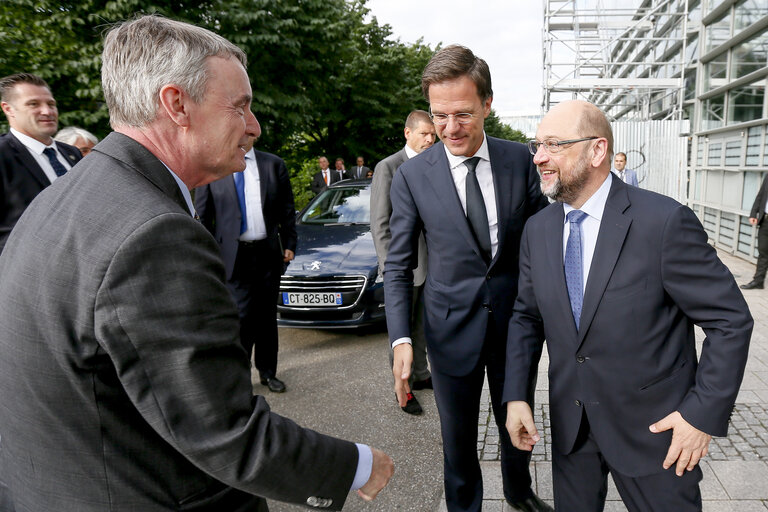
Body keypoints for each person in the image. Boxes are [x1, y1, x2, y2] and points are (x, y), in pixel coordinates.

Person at [0, 15, 393, 511]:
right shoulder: (154, 233)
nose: (254, 126)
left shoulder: (69, 196)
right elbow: (221, 428)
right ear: (176, 104)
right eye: (241, 107)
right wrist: (355, 465)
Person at [504, 100, 753, 512]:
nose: (539, 157)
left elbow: (730, 321)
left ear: (597, 151)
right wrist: (516, 397)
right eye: (536, 145)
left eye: (553, 145)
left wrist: (700, 416)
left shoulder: (664, 222)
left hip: (656, 435)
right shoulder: (538, 229)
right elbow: (526, 318)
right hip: (573, 432)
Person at [384, 45, 550, 512]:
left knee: (516, 420)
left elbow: (548, 240)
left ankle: (519, 493)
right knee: (456, 441)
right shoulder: (413, 176)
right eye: (440, 116)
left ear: (488, 105)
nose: (450, 129)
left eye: (463, 114)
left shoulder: (521, 161)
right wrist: (400, 338)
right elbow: (397, 264)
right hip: (449, 328)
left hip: (515, 328)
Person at [196, 132, 296, 393]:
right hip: (231, 256)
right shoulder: (214, 167)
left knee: (266, 317)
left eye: (247, 133)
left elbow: (287, 209)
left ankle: (267, 373)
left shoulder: (273, 165)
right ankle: (238, 377)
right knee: (240, 317)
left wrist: (290, 244)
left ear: (253, 136)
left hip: (267, 253)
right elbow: (204, 217)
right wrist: (208, 255)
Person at [371, 109, 436, 415]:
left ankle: (421, 375)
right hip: (402, 267)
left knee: (422, 327)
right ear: (408, 133)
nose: (430, 139)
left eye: (432, 135)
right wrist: (389, 267)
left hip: (432, 265)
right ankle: (405, 389)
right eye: (425, 134)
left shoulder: (434, 165)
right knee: (401, 331)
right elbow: (380, 222)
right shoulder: (389, 167)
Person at [0, 73, 82, 253]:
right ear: (8, 109)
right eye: (33, 104)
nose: (47, 111)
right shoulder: (3, 155)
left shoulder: (72, 153)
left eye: (51, 104)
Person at [740, 173, 768, 290]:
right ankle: (758, 281)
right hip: (766, 220)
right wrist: (753, 213)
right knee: (763, 253)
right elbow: (761, 195)